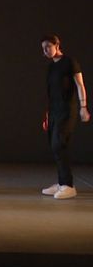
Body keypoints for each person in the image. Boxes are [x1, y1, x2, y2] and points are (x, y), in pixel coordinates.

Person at [40, 34, 90, 199]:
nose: (45, 50)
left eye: (48, 46)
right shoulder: (51, 67)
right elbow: (50, 93)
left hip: (67, 110)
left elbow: (80, 85)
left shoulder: (69, 62)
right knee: (54, 145)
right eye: (43, 48)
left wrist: (83, 107)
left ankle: (68, 185)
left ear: (57, 45)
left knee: (58, 144)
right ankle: (62, 182)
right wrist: (47, 114)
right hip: (54, 111)